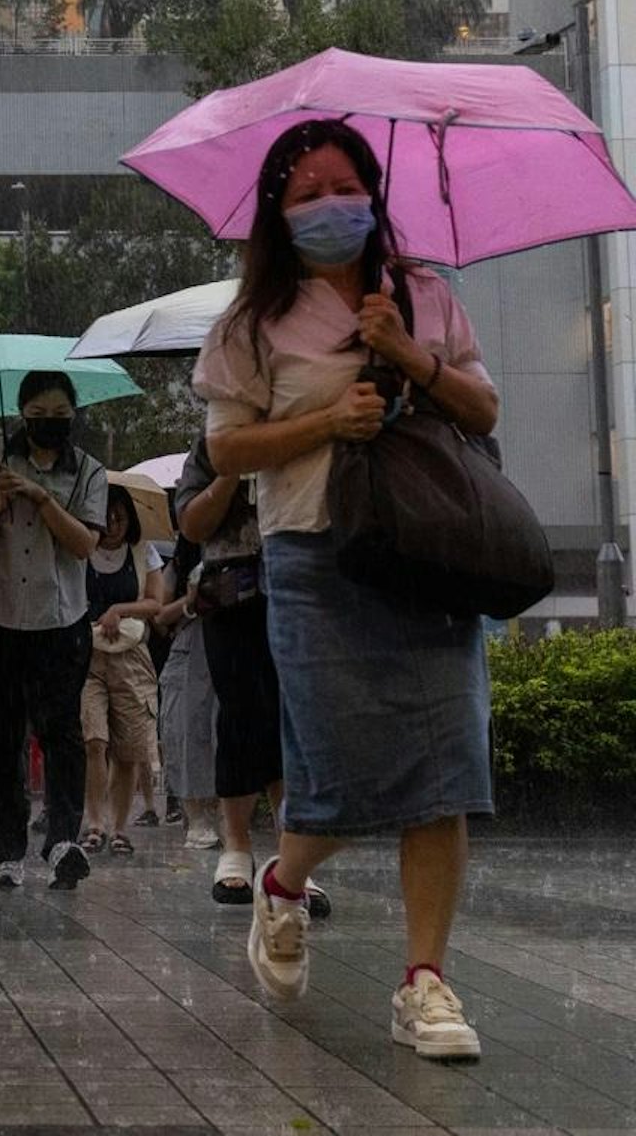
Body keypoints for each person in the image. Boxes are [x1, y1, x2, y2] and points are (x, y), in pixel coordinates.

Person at [194, 118, 498, 1060]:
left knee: (446, 765)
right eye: (308, 192)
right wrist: (328, 420)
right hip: (313, 554)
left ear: (375, 193)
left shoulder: (424, 296)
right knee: (334, 767)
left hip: (429, 553)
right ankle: (283, 884)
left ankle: (425, 981)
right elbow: (226, 449)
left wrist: (409, 354)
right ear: (278, 214)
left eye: (345, 186)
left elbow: (484, 408)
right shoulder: (253, 322)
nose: (331, 204)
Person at [0, 371, 107, 892]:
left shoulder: (90, 472)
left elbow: (84, 544)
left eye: (60, 415)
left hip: (61, 622)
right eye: (37, 415)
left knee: (62, 735)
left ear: (74, 415)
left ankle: (62, 842)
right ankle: (6, 851)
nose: (49, 424)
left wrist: (40, 497)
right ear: (21, 414)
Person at [174, 431, 330, 916]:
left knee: (291, 718)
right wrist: (229, 473)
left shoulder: (306, 428)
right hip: (230, 593)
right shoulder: (214, 442)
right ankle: (236, 844)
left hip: (297, 586)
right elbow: (192, 525)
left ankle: (294, 856)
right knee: (239, 712)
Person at [79, 483, 165, 856]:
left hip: (132, 657)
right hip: (89, 656)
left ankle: (119, 827)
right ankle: (94, 823)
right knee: (93, 740)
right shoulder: (81, 550)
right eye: (107, 518)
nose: (113, 526)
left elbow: (156, 603)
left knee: (128, 749)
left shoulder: (144, 552)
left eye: (120, 518)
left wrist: (119, 610)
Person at [152, 543, 222, 851]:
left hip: (229, 644)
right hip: (189, 648)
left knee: (223, 733)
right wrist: (190, 601)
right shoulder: (181, 563)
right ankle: (195, 816)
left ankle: (221, 814)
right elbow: (159, 616)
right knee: (186, 732)